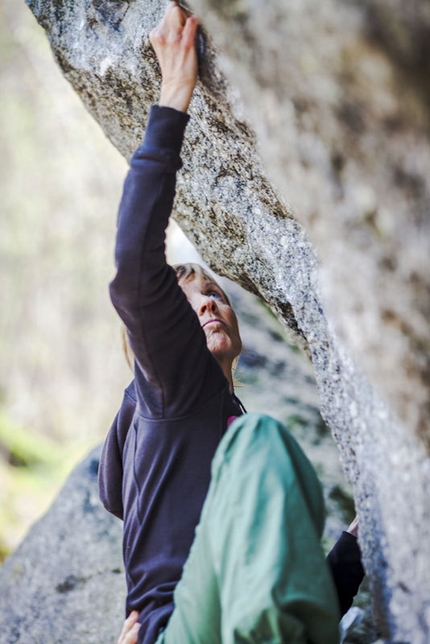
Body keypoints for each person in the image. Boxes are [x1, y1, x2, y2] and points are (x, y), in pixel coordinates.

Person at [98, 4, 364, 644]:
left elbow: (293, 597)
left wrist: (366, 534)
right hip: (176, 630)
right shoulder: (173, 389)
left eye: (215, 292)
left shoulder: (214, 422)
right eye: (189, 302)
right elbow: (137, 262)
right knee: (263, 448)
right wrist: (172, 96)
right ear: (158, 342)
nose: (210, 303)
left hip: (212, 627)